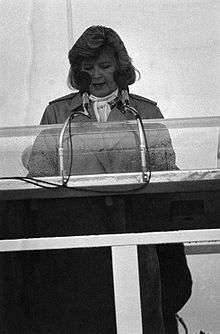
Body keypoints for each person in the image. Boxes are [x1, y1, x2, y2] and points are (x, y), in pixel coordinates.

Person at [24, 25, 192, 333]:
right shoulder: (58, 112)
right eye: (88, 68)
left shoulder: (144, 111)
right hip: (78, 241)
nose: (97, 75)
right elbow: (39, 178)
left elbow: (166, 174)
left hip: (135, 238)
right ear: (78, 71)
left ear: (120, 67)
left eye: (105, 66)